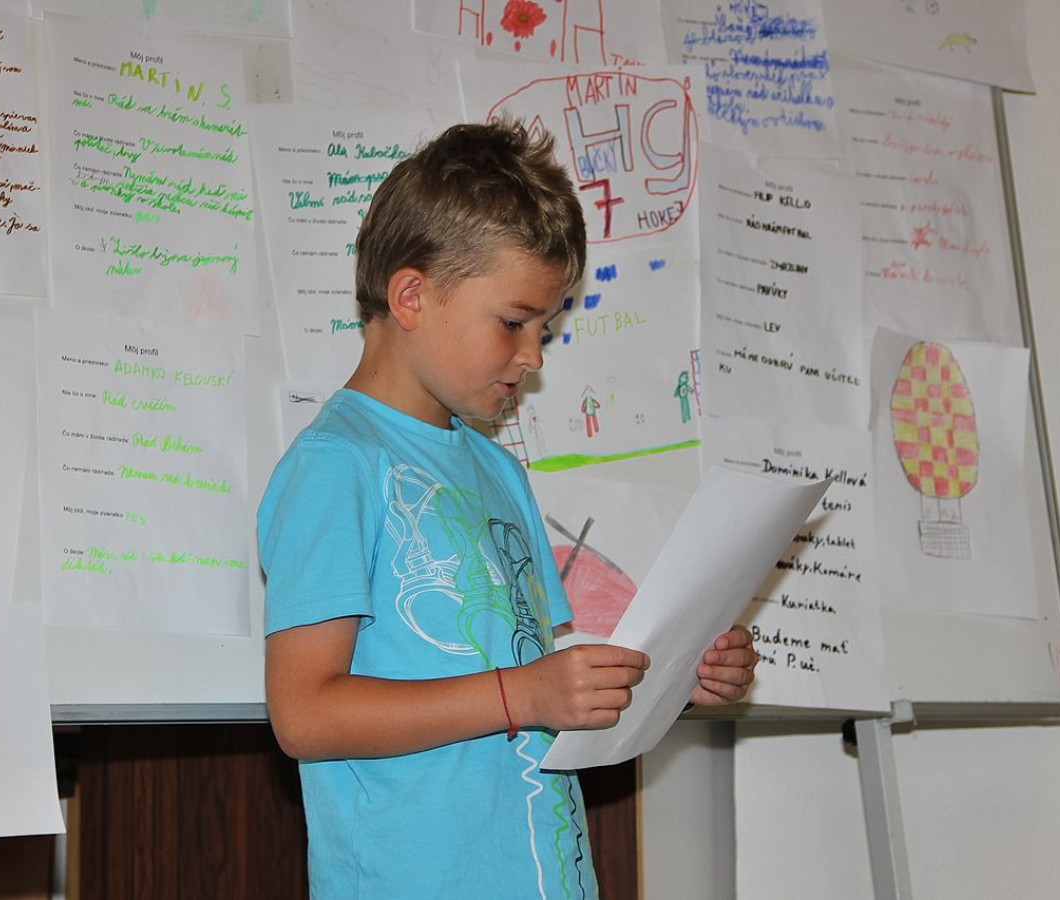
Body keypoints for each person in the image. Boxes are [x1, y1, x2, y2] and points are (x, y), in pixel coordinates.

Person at [258, 119, 759, 899]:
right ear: (412, 295)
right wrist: (519, 696)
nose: (532, 357)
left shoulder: (497, 470)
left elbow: (537, 679)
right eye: (513, 322)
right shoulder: (336, 465)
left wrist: (673, 676)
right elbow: (305, 715)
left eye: (545, 330)